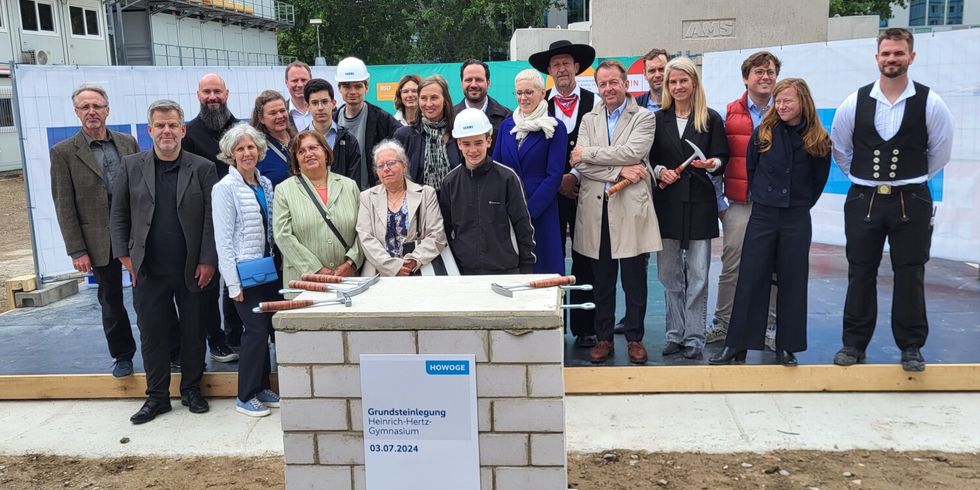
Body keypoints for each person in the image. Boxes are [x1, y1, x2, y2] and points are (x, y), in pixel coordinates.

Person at [830, 28, 953, 372]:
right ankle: (853, 345)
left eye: (898, 53)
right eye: (886, 54)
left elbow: (940, 152)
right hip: (864, 199)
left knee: (910, 272)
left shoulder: (931, 102)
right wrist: (867, 180)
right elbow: (841, 149)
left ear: (911, 56)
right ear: (877, 58)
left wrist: (908, 180)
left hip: (911, 199)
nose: (892, 59)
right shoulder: (854, 102)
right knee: (860, 271)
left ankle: (911, 346)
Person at [710, 79, 831, 366]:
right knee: (750, 279)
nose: (782, 106)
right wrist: (767, 198)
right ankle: (736, 345)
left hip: (796, 216)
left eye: (788, 101)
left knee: (792, 281)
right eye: (779, 101)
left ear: (803, 102)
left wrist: (796, 203)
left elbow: (817, 182)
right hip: (764, 214)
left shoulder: (818, 139)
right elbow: (752, 169)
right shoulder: (764, 133)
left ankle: (785, 346)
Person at [110, 99, 217, 424]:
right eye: (160, 125)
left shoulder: (202, 167)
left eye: (173, 125)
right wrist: (125, 257)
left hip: (192, 270)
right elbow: (118, 215)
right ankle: (156, 398)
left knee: (194, 332)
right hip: (148, 270)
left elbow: (212, 219)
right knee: (152, 334)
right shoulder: (131, 166)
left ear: (183, 130)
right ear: (150, 130)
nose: (167, 131)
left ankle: (192, 389)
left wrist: (208, 260)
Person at [570, 60, 660, 364]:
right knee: (602, 280)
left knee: (634, 279)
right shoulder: (588, 119)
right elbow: (578, 162)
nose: (608, 88)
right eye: (603, 84)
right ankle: (604, 338)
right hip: (597, 209)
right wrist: (620, 168)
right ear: (597, 87)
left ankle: (635, 337)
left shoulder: (644, 117)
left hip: (630, 209)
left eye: (614, 83)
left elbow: (634, 152)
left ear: (625, 84)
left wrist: (591, 156)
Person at [50, 84, 140, 378]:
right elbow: (64, 204)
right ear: (77, 112)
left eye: (97, 106)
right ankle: (123, 355)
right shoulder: (63, 153)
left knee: (150, 296)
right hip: (98, 240)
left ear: (107, 110)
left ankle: (170, 350)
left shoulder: (127, 143)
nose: (92, 112)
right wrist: (77, 250)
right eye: (85, 107)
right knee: (111, 299)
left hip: (134, 235)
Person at [649, 57, 729, 360]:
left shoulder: (710, 119)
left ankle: (694, 337)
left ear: (694, 83)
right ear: (667, 86)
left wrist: (713, 164)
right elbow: (648, 158)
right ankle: (675, 334)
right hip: (667, 204)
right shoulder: (658, 119)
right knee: (669, 273)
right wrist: (659, 171)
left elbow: (723, 156)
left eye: (684, 80)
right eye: (673, 82)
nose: (678, 86)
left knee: (697, 274)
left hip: (699, 203)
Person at [706, 51, 782, 350]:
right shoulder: (728, 115)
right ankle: (722, 324)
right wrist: (720, 204)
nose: (765, 77)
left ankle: (770, 327)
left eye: (770, 72)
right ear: (745, 78)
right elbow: (718, 161)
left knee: (774, 267)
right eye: (759, 72)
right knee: (732, 266)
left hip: (775, 207)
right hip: (739, 204)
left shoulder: (787, 110)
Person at [529, 39, 598, 348]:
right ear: (549, 70)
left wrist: (577, 176)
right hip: (551, 195)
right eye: (556, 64)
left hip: (587, 191)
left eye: (566, 63)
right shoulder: (539, 105)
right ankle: (550, 323)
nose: (562, 68)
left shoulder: (594, 102)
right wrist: (558, 180)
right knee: (550, 256)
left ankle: (586, 328)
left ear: (576, 67)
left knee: (586, 258)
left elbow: (600, 145)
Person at [212, 124, 281, 416]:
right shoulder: (224, 189)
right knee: (253, 331)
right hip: (243, 272)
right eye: (240, 148)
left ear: (259, 150)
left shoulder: (264, 184)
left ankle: (262, 386)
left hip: (267, 270)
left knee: (264, 329)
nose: (247, 152)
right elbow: (223, 239)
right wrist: (233, 284)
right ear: (230, 154)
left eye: (251, 147)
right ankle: (245, 395)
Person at [181, 73, 241, 362]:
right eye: (207, 92)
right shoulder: (188, 134)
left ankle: (234, 335)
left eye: (217, 91)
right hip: (205, 222)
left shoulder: (242, 129)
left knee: (237, 282)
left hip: (240, 220)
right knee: (208, 284)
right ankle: (214, 340)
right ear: (198, 96)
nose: (213, 97)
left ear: (227, 94)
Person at [439, 108, 535, 275]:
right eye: (466, 144)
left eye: (478, 142)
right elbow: (445, 231)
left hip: (505, 270)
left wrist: (526, 267)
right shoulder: (450, 182)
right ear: (459, 144)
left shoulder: (507, 178)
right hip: (464, 272)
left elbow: (523, 226)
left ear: (488, 141)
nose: (473, 150)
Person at [492, 69, 567, 274]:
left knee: (544, 269)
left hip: (540, 211)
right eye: (519, 93)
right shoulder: (507, 125)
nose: (523, 98)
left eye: (528, 92)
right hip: (508, 210)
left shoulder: (556, 128)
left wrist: (529, 211)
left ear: (542, 93)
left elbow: (554, 176)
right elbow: (496, 167)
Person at [274, 130, 362, 288]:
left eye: (313, 148)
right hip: (304, 280)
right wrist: (316, 269)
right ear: (296, 160)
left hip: (347, 279)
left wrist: (351, 262)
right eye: (301, 151)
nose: (308, 154)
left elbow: (363, 230)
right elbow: (282, 235)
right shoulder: (284, 190)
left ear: (326, 153)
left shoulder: (350, 186)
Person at [356, 140, 448, 276]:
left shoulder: (426, 193)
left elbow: (437, 235)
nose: (386, 169)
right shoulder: (366, 197)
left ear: (404, 165)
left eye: (391, 163)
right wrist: (394, 267)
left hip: (419, 270)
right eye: (380, 165)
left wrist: (413, 261)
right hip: (379, 273)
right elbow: (366, 238)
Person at [334, 57, 401, 189]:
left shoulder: (382, 120)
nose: (352, 91)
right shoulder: (333, 121)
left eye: (358, 86)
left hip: (373, 195)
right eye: (346, 86)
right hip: (341, 196)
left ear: (366, 87)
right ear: (339, 88)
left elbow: (404, 146)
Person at [394, 75, 462, 187]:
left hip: (454, 202)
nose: (429, 104)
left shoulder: (458, 133)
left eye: (434, 98)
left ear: (445, 100)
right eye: (423, 98)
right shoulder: (404, 136)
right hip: (418, 203)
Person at [304, 78, 364, 188]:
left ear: (333, 103)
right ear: (307, 106)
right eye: (315, 103)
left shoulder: (349, 140)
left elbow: (354, 185)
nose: (320, 108)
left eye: (325, 102)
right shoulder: (298, 144)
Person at [453, 59, 512, 153]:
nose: (473, 85)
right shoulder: (449, 117)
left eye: (479, 80)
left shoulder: (507, 118)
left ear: (488, 83)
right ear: (461, 83)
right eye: (468, 80)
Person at [251, 90, 295, 187]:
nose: (280, 116)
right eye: (273, 113)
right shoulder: (257, 150)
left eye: (282, 111)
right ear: (261, 119)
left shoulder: (298, 141)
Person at [636, 48, 669, 112]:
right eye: (652, 71)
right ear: (645, 74)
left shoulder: (680, 103)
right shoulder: (636, 105)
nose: (657, 75)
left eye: (661, 69)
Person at [285, 61, 313, 131]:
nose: (300, 85)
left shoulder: (327, 110)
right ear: (286, 83)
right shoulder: (281, 114)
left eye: (304, 80)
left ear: (311, 80)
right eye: (295, 80)